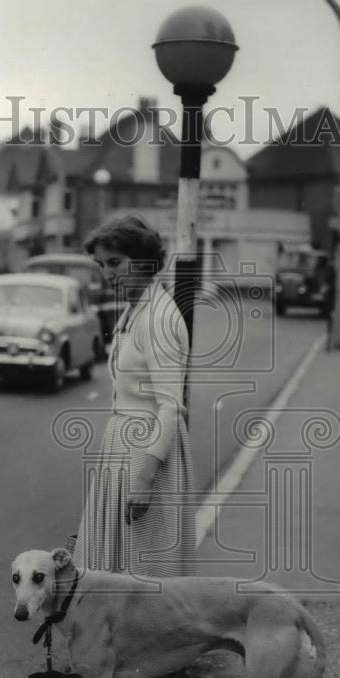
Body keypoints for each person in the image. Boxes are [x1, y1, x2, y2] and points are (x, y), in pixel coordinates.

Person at [71, 214, 197, 582]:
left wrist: (145, 479)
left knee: (143, 576)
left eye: (115, 263)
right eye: (101, 265)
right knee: (117, 571)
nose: (107, 274)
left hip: (146, 453)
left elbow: (171, 406)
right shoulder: (136, 308)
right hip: (124, 446)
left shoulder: (157, 316)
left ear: (142, 261)